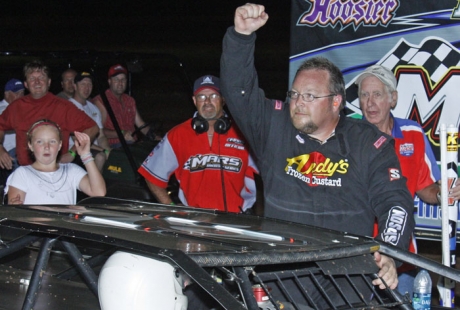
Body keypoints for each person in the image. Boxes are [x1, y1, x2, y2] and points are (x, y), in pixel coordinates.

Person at [220, 3, 414, 306]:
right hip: (282, 283)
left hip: (347, 286)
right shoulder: (274, 127)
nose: (298, 102)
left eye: (310, 96)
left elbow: (396, 204)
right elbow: (238, 91)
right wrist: (241, 38)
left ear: (336, 102)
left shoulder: (368, 143)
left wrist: (389, 252)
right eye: (295, 94)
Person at [355, 64, 441, 296]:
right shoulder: (347, 133)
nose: (370, 102)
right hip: (354, 254)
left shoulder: (413, 134)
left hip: (400, 255)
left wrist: (443, 194)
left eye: (377, 94)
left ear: (393, 99)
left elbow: (426, 188)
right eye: (364, 95)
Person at [138, 75, 258, 213]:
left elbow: (271, 175)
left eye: (213, 96)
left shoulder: (244, 132)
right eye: (201, 97)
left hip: (236, 222)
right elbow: (151, 176)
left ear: (223, 99)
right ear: (194, 101)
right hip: (195, 223)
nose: (207, 102)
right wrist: (172, 207)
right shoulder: (177, 135)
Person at [0, 60, 99, 168]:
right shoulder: (16, 106)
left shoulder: (63, 106)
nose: (37, 82)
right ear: (26, 84)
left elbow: (93, 128)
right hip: (25, 170)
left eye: (41, 78)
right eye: (32, 78)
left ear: (49, 82)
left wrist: (72, 153)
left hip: (55, 170)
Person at [5, 119, 106, 204]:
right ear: (31, 145)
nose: (47, 147)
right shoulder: (22, 174)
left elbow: (99, 192)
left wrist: (86, 155)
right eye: (40, 142)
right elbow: (16, 211)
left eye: (52, 141)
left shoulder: (71, 170)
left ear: (60, 145)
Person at [93, 64, 151, 148]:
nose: (120, 83)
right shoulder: (101, 101)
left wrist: (155, 137)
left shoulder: (130, 100)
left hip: (132, 144)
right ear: (109, 81)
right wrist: (121, 133)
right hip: (113, 146)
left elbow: (141, 125)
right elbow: (98, 131)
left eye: (123, 80)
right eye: (116, 80)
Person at [69, 72, 111, 171]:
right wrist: (103, 150)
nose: (87, 88)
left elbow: (101, 136)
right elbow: (77, 139)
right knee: (100, 157)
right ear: (75, 86)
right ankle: (94, 186)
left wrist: (108, 149)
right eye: (83, 84)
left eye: (89, 84)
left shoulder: (94, 108)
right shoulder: (69, 107)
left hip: (94, 148)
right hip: (76, 150)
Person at [0, 79, 25, 170]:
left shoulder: (22, 107)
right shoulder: (3, 109)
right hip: (9, 151)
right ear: (6, 94)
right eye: (16, 93)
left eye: (22, 92)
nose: (20, 96)